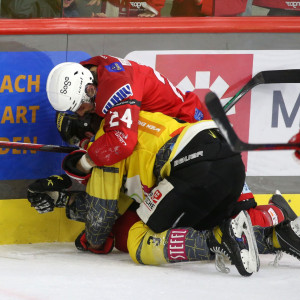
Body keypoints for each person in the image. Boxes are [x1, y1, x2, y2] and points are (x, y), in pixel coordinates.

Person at [46, 57, 294, 230]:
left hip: (192, 133)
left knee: (236, 215)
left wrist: (84, 160)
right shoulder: (93, 70)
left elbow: (121, 143)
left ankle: (278, 214)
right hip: (183, 140)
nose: (81, 114)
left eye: (80, 107)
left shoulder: (115, 89)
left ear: (90, 89)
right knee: (229, 215)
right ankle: (277, 214)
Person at [29, 108, 261, 276]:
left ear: (85, 133)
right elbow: (118, 201)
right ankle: (275, 234)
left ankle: (213, 241)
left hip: (191, 166)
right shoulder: (133, 114)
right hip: (227, 154)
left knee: (137, 241)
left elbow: (101, 220)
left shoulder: (105, 144)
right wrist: (63, 200)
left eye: (75, 140)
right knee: (193, 225)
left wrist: (89, 240)